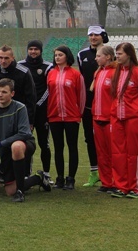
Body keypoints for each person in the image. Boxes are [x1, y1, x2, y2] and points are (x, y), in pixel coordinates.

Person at [0, 79, 51, 203]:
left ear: (12, 93)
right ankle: (38, 178)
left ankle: (20, 192)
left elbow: (24, 133)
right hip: (5, 149)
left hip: (24, 143)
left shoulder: (20, 107)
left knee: (16, 147)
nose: (0, 95)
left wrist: (1, 143)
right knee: (10, 191)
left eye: (4, 92)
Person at [109, 42, 138, 198]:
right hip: (116, 118)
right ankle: (121, 186)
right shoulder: (116, 72)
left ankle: (134, 187)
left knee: (133, 153)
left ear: (129, 54)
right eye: (117, 53)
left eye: (120, 53)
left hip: (134, 118)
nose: (117, 56)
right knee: (118, 153)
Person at [46, 45, 85, 190]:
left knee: (72, 147)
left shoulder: (75, 75)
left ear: (67, 56)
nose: (57, 57)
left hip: (71, 117)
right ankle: (60, 178)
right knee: (58, 148)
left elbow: (81, 96)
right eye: (56, 55)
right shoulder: (50, 74)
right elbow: (49, 93)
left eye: (60, 55)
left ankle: (71, 179)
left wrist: (77, 114)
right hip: (54, 116)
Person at [77, 25, 109, 187]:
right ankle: (94, 172)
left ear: (103, 36)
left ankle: (109, 173)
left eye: (96, 35)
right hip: (88, 105)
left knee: (107, 140)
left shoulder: (111, 53)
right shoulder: (81, 55)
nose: (93, 37)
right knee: (89, 138)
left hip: (107, 106)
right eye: (91, 35)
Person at [18, 40, 53, 180]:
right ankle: (27, 173)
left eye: (36, 49)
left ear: (40, 51)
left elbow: (48, 89)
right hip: (25, 112)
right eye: (31, 49)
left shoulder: (47, 66)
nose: (33, 52)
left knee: (44, 143)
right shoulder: (20, 65)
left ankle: (46, 173)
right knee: (26, 143)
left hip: (42, 111)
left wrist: (38, 104)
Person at [0, 45, 37, 128]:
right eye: (1, 58)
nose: (3, 61)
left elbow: (31, 97)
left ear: (13, 58)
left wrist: (30, 120)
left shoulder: (23, 72)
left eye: (6, 58)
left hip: (18, 113)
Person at [91, 45, 117, 193]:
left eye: (98, 55)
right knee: (101, 153)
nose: (96, 58)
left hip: (110, 119)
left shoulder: (115, 73)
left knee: (114, 152)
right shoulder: (98, 73)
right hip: (97, 118)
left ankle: (116, 181)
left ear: (107, 57)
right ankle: (106, 182)